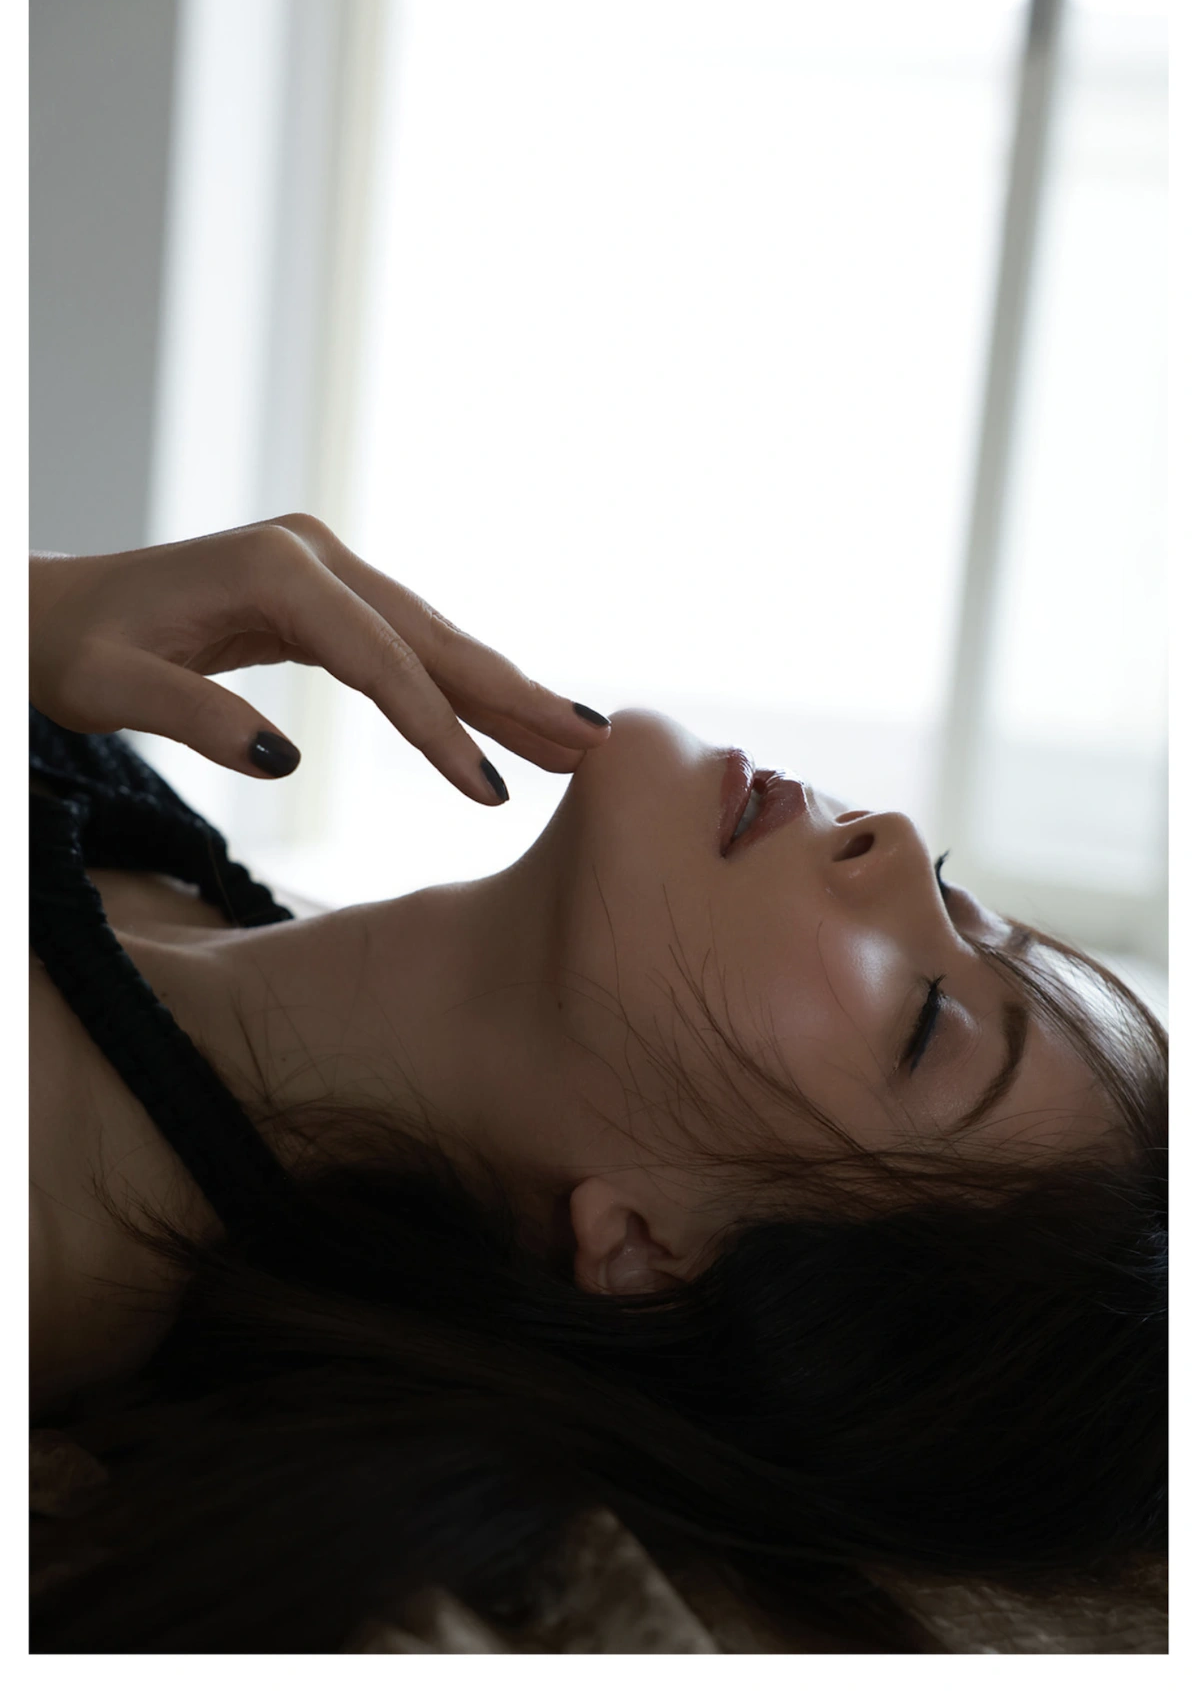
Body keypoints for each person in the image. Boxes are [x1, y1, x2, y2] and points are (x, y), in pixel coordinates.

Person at [29, 516, 1167, 1653]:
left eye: (923, 1019)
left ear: (644, 1252)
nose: (902, 841)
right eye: (961, 904)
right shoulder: (195, 911)